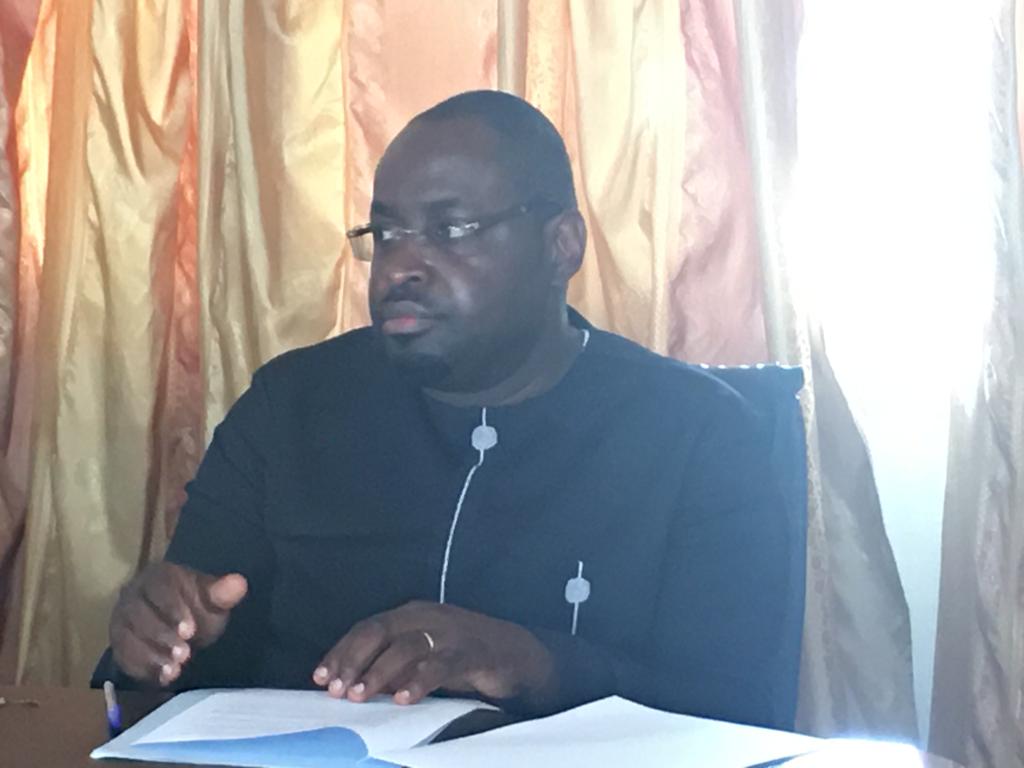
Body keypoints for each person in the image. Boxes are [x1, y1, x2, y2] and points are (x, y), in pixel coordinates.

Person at [96, 90, 796, 729]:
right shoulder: (290, 407)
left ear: (561, 246)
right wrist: (158, 640)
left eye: (451, 229)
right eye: (386, 234)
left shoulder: (700, 435)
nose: (400, 266)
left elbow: (736, 714)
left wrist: (531, 663)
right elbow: (190, 659)